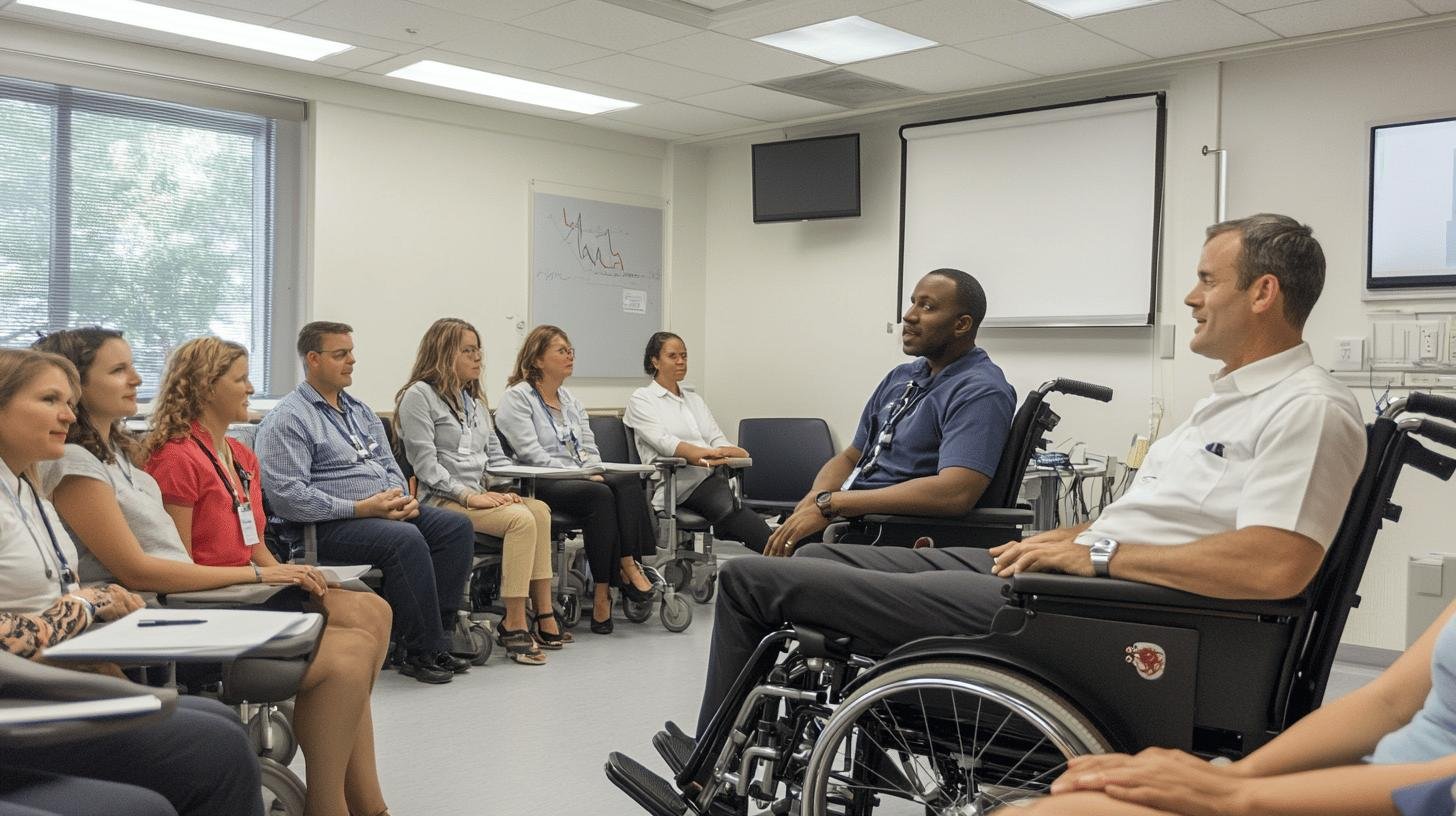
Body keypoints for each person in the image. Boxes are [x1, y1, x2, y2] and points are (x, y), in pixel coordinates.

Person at [689, 214, 1367, 734]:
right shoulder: (1228, 402)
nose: (1190, 296)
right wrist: (1075, 537)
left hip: (1100, 615)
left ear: (1264, 292)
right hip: (1076, 587)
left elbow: (1277, 565)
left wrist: (1098, 555)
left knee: (753, 581)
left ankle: (710, 791)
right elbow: (1154, 523)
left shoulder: (1307, 409)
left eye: (1208, 280)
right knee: (826, 565)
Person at [32, 330, 394, 816]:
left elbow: (206, 553)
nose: (137, 379)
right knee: (350, 648)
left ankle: (362, 805)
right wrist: (259, 577)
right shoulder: (82, 465)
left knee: (365, 623)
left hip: (191, 599)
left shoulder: (122, 459)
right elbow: (140, 568)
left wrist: (270, 571)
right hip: (172, 609)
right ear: (78, 384)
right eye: (118, 370)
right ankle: (334, 808)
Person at [0, 347, 262, 816]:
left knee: (221, 725)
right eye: (49, 400)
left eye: (69, 400)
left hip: (54, 669)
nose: (66, 414)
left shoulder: (26, 485)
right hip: (21, 694)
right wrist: (85, 605)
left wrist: (91, 605)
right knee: (210, 752)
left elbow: (56, 594)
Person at [1023, 598, 1456, 816]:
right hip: (1380, 780)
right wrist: (1235, 774)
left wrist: (1237, 797)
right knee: (1080, 801)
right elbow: (1389, 702)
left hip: (1418, 800)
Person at [253, 321, 475, 685]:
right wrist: (360, 508)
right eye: (340, 354)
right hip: (322, 527)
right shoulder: (288, 419)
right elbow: (288, 498)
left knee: (455, 528)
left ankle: (441, 634)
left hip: (378, 512)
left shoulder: (359, 411)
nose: (351, 361)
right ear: (313, 359)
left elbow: (389, 465)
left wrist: (396, 499)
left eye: (351, 352)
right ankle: (419, 650)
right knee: (405, 541)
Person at [762, 268, 1016, 556]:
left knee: (757, 573)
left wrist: (834, 504)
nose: (909, 315)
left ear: (962, 325)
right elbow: (851, 457)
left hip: (897, 533)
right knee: (758, 557)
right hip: (853, 520)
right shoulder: (902, 377)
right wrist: (814, 500)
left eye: (927, 306)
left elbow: (955, 492)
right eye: (913, 302)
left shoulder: (980, 390)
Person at [394, 318, 564, 665]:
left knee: (539, 510)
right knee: (519, 520)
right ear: (443, 353)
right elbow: (426, 466)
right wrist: (469, 496)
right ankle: (514, 622)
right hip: (441, 500)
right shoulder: (418, 397)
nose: (477, 358)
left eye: (478, 350)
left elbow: (494, 458)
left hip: (477, 496)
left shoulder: (472, 401)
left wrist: (504, 487)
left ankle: (543, 611)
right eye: (467, 351)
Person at [495, 325, 657, 635]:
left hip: (580, 478)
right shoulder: (517, 399)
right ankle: (612, 584)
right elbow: (530, 453)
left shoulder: (570, 400)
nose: (570, 356)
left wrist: (592, 469)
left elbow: (588, 447)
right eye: (561, 350)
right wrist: (584, 474)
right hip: (542, 481)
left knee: (625, 483)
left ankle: (618, 573)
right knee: (600, 495)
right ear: (538, 359)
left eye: (571, 350)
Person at [623, 331, 772, 553]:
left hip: (710, 479)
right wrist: (705, 455)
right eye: (673, 356)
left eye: (684, 355)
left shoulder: (694, 400)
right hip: (678, 486)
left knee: (734, 509)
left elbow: (715, 438)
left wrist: (728, 451)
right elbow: (665, 442)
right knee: (733, 511)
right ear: (655, 361)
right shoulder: (642, 399)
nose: (681, 361)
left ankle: (786, 554)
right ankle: (785, 556)